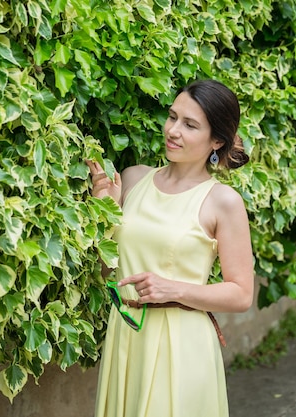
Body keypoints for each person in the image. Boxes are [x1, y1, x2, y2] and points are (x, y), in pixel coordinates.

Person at [87, 79, 255, 417]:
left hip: (181, 343)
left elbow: (241, 295)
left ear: (217, 140)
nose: (173, 131)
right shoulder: (134, 179)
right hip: (126, 335)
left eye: (190, 125)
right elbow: (108, 273)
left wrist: (172, 288)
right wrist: (104, 213)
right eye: (172, 117)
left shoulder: (222, 201)